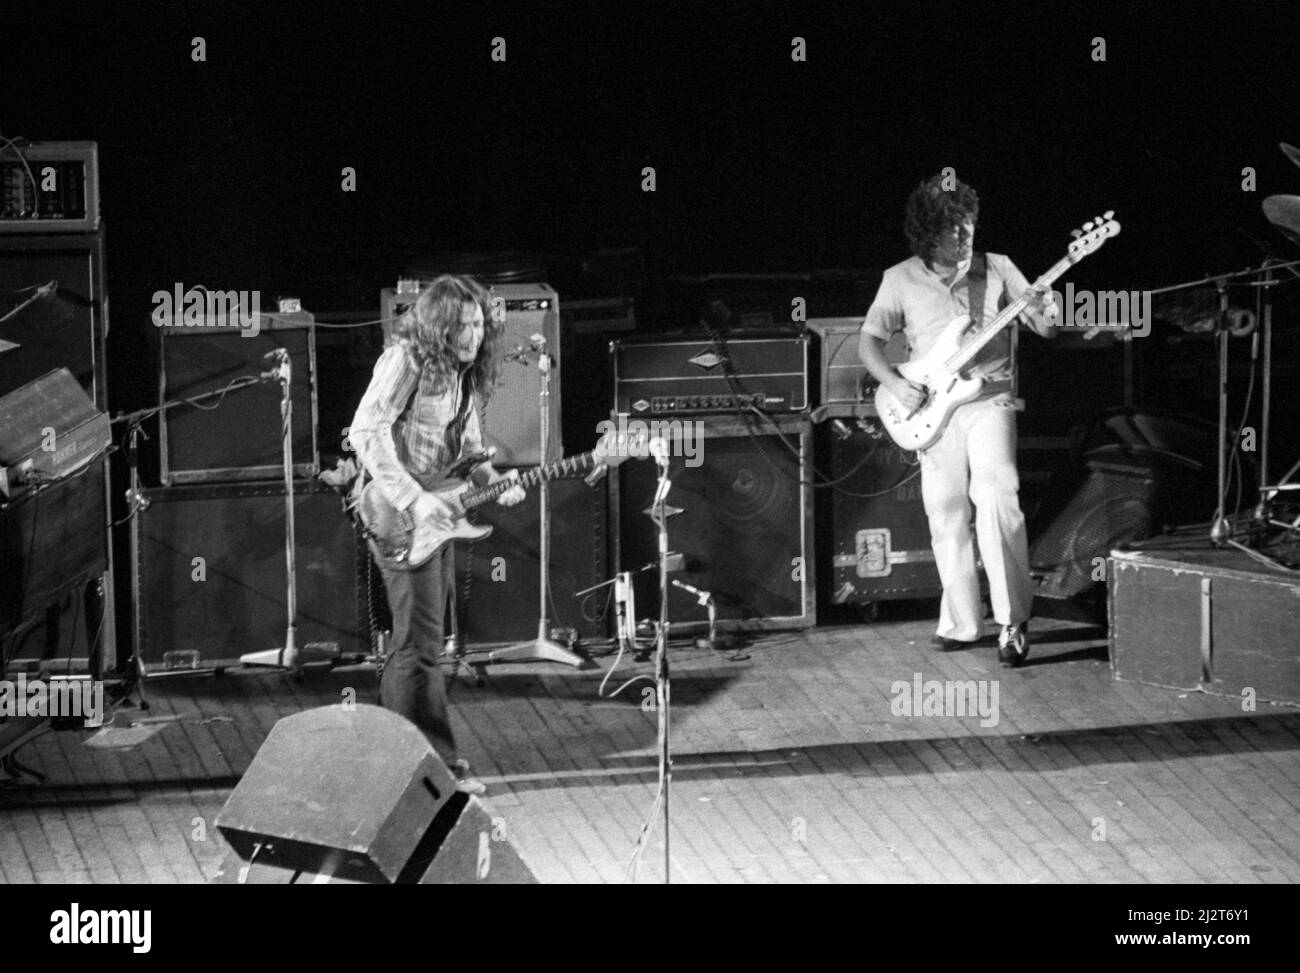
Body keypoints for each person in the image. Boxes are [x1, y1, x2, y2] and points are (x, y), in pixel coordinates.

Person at [858, 173, 1057, 666]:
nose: (964, 235)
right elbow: (869, 343)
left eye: (968, 224)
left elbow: (1047, 329)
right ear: (928, 233)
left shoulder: (998, 268)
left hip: (990, 399)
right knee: (946, 513)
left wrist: (1040, 303)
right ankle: (963, 623)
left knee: (996, 493)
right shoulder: (899, 278)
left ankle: (1012, 620)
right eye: (952, 228)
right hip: (931, 408)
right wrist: (896, 383)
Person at [349, 274, 524, 791]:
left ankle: (406, 759)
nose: (473, 336)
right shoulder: (405, 361)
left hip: (438, 513)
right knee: (417, 647)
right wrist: (414, 498)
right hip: (398, 512)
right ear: (438, 327)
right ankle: (429, 770)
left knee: (423, 641)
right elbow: (365, 431)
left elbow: (468, 454)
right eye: (462, 327)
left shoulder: (464, 376)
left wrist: (496, 483)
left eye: (477, 325)